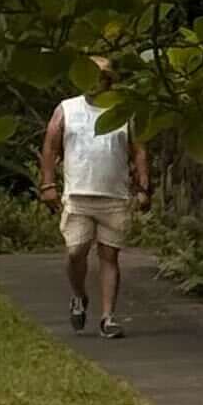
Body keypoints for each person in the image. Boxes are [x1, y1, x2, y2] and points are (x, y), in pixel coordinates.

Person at [37, 65, 151, 337]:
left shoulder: (124, 111)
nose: (92, 83)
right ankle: (79, 295)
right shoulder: (67, 108)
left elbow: (139, 151)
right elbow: (51, 146)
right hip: (78, 194)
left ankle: (108, 317)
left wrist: (144, 186)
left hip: (114, 195)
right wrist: (48, 184)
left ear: (108, 81)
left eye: (98, 77)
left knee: (109, 256)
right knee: (76, 251)